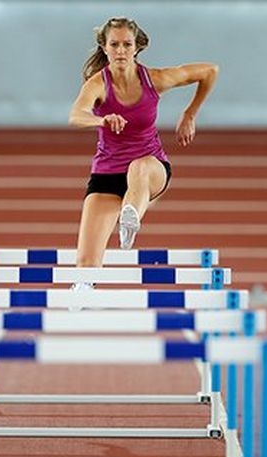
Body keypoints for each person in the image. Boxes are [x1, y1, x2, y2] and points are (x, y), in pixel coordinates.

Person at [68, 16, 219, 274]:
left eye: (127, 45)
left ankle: (131, 218)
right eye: (114, 45)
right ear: (104, 47)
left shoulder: (155, 79)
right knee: (85, 267)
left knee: (138, 167)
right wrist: (101, 119)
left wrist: (190, 114)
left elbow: (209, 71)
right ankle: (80, 300)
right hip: (107, 175)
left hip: (151, 170)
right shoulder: (97, 84)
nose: (121, 51)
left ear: (136, 47)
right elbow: (76, 115)